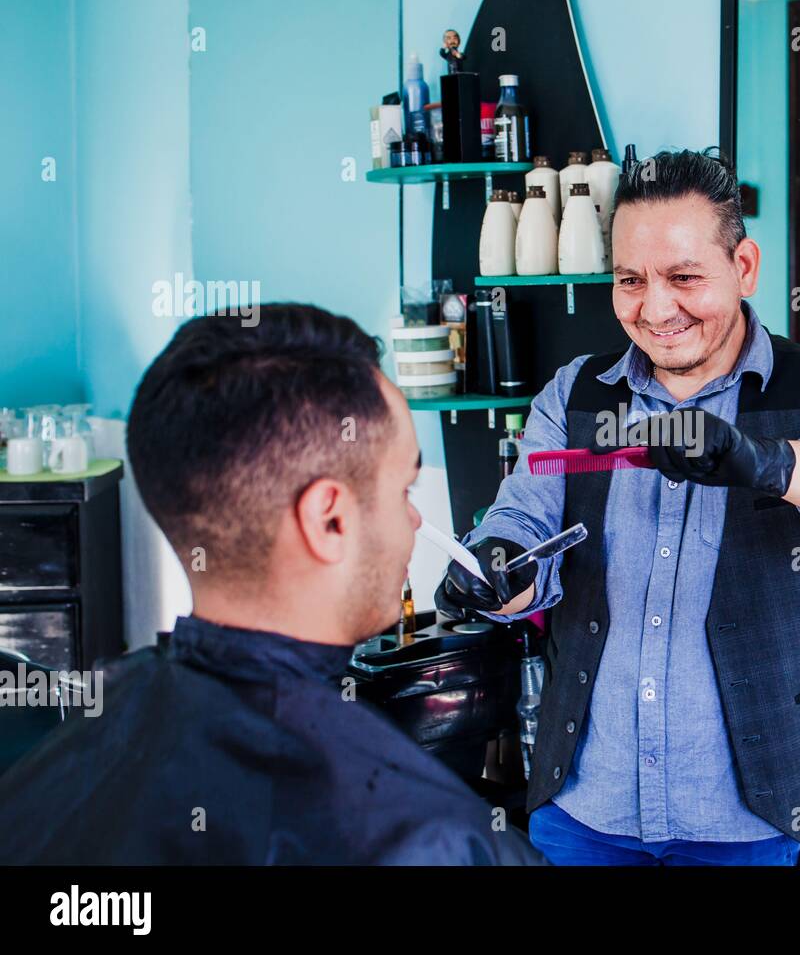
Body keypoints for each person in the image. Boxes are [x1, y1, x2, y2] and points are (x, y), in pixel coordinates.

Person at [436, 149, 800, 865]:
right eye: (630, 281)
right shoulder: (575, 394)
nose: (655, 309)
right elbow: (523, 519)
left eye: (684, 277)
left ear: (745, 267)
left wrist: (766, 462)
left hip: (750, 812)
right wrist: (498, 570)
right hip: (585, 807)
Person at [0, 304, 541, 865]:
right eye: (403, 491)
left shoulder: (55, 761)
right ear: (329, 520)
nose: (411, 523)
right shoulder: (434, 837)